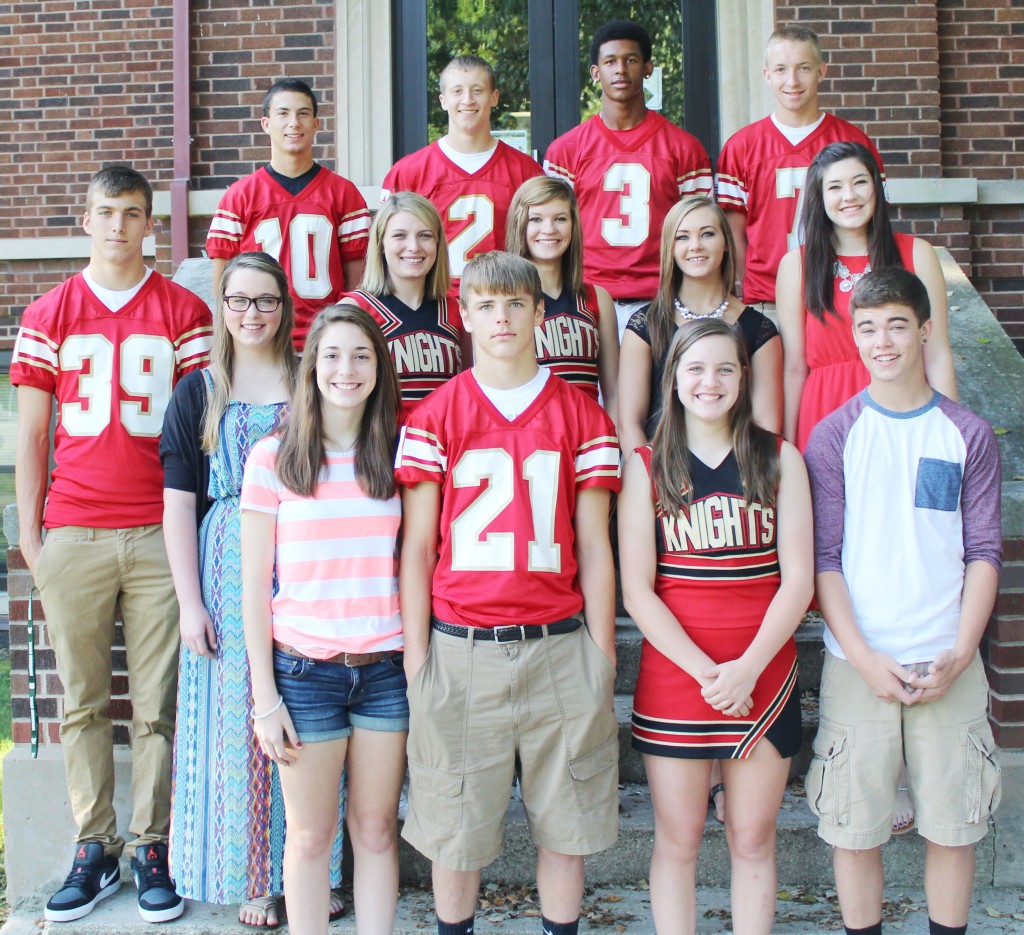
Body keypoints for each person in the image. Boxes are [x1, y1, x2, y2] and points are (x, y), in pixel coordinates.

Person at [395, 252, 621, 935]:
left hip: (558, 644)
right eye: (487, 304)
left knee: (566, 824)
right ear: (465, 315)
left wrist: (602, 654)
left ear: (538, 314)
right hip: (462, 647)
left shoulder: (582, 416)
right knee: (454, 827)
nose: (502, 316)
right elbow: (417, 546)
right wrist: (416, 657)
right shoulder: (437, 414)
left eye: (515, 304)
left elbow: (593, 546)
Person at [12, 166, 212, 923]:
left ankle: (149, 845)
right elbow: (32, 434)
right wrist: (33, 536)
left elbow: (202, 431)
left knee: (158, 704)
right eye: (106, 212)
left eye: (133, 214)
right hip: (76, 528)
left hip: (161, 531)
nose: (119, 226)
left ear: (150, 223)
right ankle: (92, 845)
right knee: (85, 701)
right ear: (86, 219)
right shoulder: (51, 310)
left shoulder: (185, 310)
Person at [803, 267, 1002, 935]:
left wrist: (962, 649)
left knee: (955, 824)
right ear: (853, 337)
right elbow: (824, 560)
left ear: (924, 329)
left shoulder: (966, 433)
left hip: (947, 659)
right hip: (860, 663)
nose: (882, 340)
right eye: (867, 327)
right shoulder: (833, 437)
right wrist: (862, 656)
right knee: (855, 829)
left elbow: (982, 553)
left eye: (895, 325)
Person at [160, 253, 345, 927]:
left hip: (307, 553)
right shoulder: (199, 390)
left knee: (310, 708)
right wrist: (189, 600)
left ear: (285, 306)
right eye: (238, 301)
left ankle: (314, 869)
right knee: (241, 719)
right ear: (222, 306)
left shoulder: (310, 380)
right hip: (225, 557)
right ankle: (254, 879)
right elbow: (179, 503)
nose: (251, 314)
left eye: (265, 300)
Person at [621, 318, 812, 935]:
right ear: (672, 378)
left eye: (726, 368)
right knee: (677, 840)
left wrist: (747, 668)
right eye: (695, 368)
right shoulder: (645, 466)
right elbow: (637, 591)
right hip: (680, 677)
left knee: (753, 838)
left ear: (744, 378)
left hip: (764, 674)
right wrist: (707, 673)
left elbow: (800, 580)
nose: (711, 381)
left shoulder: (780, 457)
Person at [241, 304, 406, 935]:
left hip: (385, 671)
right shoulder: (274, 458)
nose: (347, 369)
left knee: (375, 828)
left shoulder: (398, 454)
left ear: (378, 370)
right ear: (312, 368)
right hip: (304, 675)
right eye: (333, 355)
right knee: (310, 837)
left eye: (362, 355)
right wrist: (264, 698)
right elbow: (254, 589)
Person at [777, 141, 956, 452]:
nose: (849, 196)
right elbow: (794, 367)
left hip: (904, 412)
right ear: (820, 197)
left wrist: (954, 433)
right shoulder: (796, 266)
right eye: (835, 187)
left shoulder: (917, 254)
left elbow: (937, 354)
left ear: (877, 186)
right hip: (823, 415)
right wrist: (788, 448)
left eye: (860, 182)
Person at [543, 19, 713, 339]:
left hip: (660, 298)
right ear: (596, 73)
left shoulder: (684, 149)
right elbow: (549, 233)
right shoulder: (565, 151)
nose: (620, 69)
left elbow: (702, 233)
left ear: (648, 68)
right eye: (610, 62)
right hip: (586, 297)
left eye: (631, 60)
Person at [717, 25, 884, 314]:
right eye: (781, 69)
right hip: (766, 300)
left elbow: (874, 222)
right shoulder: (742, 146)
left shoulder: (855, 143)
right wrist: (749, 285)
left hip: (839, 298)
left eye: (803, 68)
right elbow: (734, 230)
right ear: (767, 75)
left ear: (821, 71)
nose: (792, 80)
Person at [206, 78, 371, 350]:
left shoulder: (344, 194)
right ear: (266, 123)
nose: (294, 122)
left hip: (324, 341)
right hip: (261, 340)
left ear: (316, 124)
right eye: (283, 113)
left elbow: (358, 285)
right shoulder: (239, 196)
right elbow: (223, 287)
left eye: (303, 113)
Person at [618, 195, 782, 458]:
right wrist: (650, 479)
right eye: (682, 237)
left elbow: (767, 429)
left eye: (707, 234)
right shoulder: (645, 325)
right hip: (662, 477)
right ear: (669, 247)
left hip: (736, 481)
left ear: (726, 243)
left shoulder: (759, 330)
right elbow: (629, 424)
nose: (695, 246)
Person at [380, 55, 543, 283]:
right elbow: (386, 253)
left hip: (501, 304)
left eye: (477, 90)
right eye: (457, 91)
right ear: (443, 100)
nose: (467, 100)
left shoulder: (525, 171)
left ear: (493, 97)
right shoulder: (408, 172)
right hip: (433, 305)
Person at [505, 175, 619, 420]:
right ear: (519, 224)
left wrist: (610, 445)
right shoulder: (501, 301)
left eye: (560, 219)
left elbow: (615, 394)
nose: (549, 229)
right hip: (525, 439)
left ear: (573, 225)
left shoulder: (597, 299)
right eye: (536, 219)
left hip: (588, 440)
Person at [344, 191, 466, 411]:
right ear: (380, 244)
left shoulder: (457, 310)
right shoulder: (354, 311)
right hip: (382, 442)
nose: (413, 247)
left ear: (438, 244)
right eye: (399, 236)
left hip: (442, 441)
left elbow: (468, 391)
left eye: (425, 235)